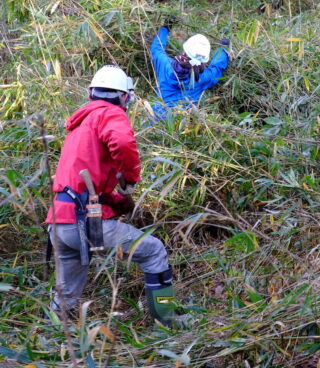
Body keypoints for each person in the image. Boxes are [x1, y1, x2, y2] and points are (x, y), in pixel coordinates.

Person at [46, 65, 179, 327]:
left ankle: (53, 341)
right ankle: (167, 319)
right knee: (154, 251)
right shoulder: (111, 114)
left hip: (59, 224)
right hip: (85, 223)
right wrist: (130, 178)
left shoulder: (79, 124)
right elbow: (122, 142)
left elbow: (84, 188)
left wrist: (119, 203)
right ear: (125, 97)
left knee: (67, 291)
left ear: (90, 93)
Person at [149, 19, 230, 118]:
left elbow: (156, 49)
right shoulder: (202, 78)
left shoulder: (166, 65)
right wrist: (223, 49)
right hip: (182, 126)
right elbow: (217, 68)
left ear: (185, 51)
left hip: (156, 120)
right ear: (204, 61)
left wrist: (166, 28)